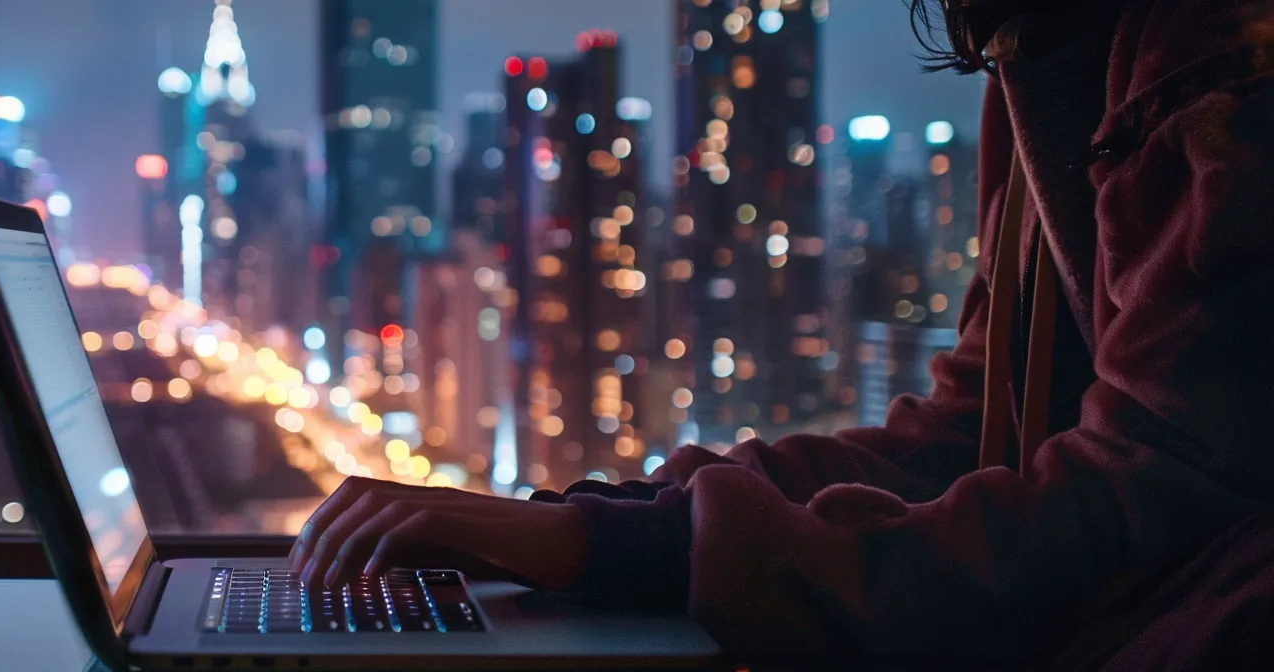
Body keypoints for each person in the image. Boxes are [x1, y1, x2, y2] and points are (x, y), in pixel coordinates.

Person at [290, 0, 1274, 662]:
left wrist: (623, 552)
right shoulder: (1045, 49)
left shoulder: (1221, 71)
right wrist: (607, 521)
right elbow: (959, 440)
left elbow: (1144, 502)